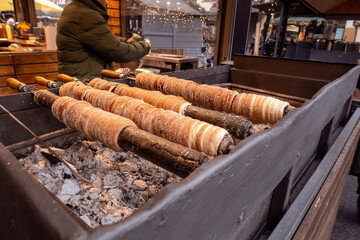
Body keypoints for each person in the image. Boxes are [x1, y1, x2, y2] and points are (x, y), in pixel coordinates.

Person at [56, 0, 150, 80]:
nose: (107, 3)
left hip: (78, 79)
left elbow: (101, 39)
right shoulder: (86, 15)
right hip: (87, 84)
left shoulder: (73, 10)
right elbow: (118, 51)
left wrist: (127, 40)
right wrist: (145, 46)